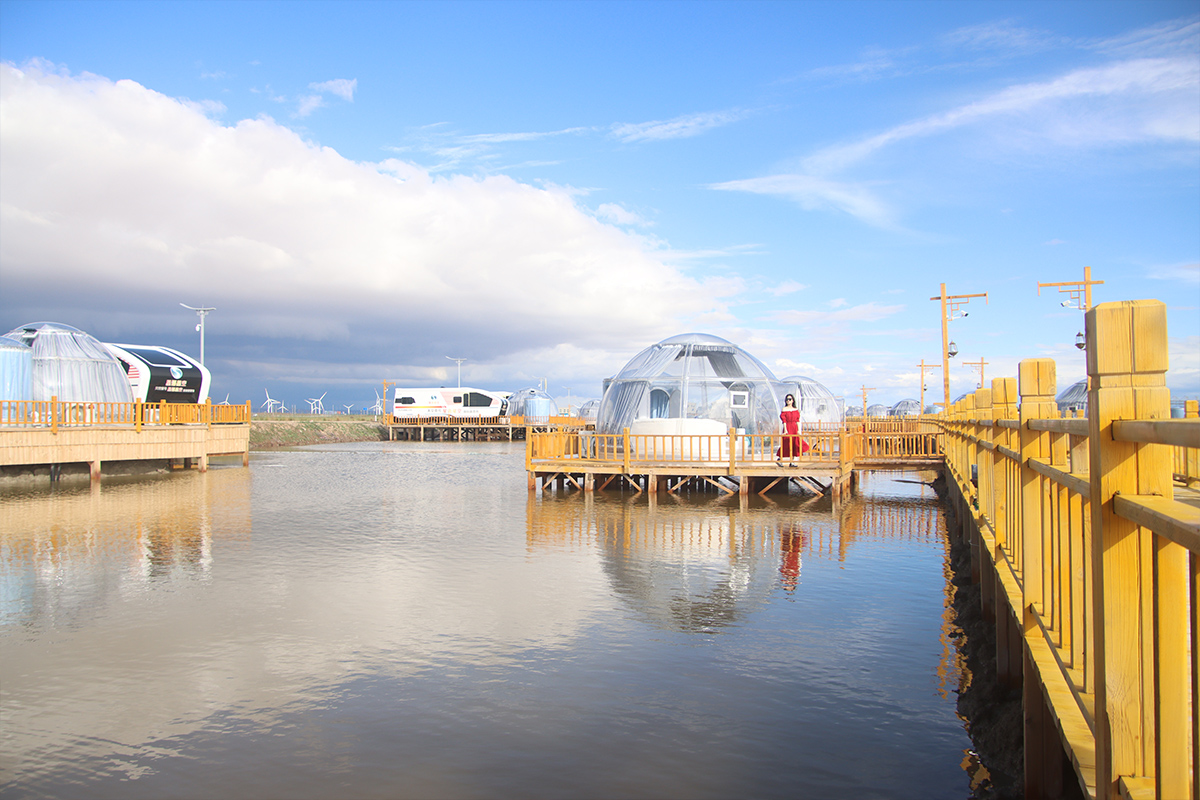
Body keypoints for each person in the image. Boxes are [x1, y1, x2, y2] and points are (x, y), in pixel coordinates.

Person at [778, 393, 801, 467]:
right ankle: (780, 459)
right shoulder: (784, 409)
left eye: (790, 399)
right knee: (786, 443)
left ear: (793, 400)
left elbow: (797, 420)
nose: (788, 401)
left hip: (794, 427)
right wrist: (785, 430)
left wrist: (798, 430)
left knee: (794, 443)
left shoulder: (795, 410)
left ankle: (792, 461)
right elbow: (784, 421)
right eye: (787, 399)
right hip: (788, 426)